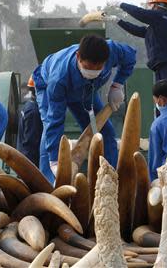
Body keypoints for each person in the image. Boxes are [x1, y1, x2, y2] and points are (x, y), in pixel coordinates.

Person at [33, 34, 136, 184]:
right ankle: (49, 180)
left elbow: (130, 57)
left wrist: (117, 85)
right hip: (47, 84)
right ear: (78, 56)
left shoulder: (112, 50)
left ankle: (109, 178)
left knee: (105, 131)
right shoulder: (58, 78)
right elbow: (55, 119)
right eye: (88, 67)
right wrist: (55, 160)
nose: (92, 72)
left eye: (98, 68)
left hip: (86, 91)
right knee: (49, 127)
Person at [109, 0, 167, 105]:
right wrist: (118, 21)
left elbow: (141, 13)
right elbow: (139, 31)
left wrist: (121, 4)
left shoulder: (161, 16)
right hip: (161, 65)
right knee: (162, 98)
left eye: (151, 5)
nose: (149, 8)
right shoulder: (158, 23)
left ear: (156, 5)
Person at [16, 76, 43, 166]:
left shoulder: (28, 105)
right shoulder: (34, 112)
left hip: (23, 156)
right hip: (29, 162)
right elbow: (30, 143)